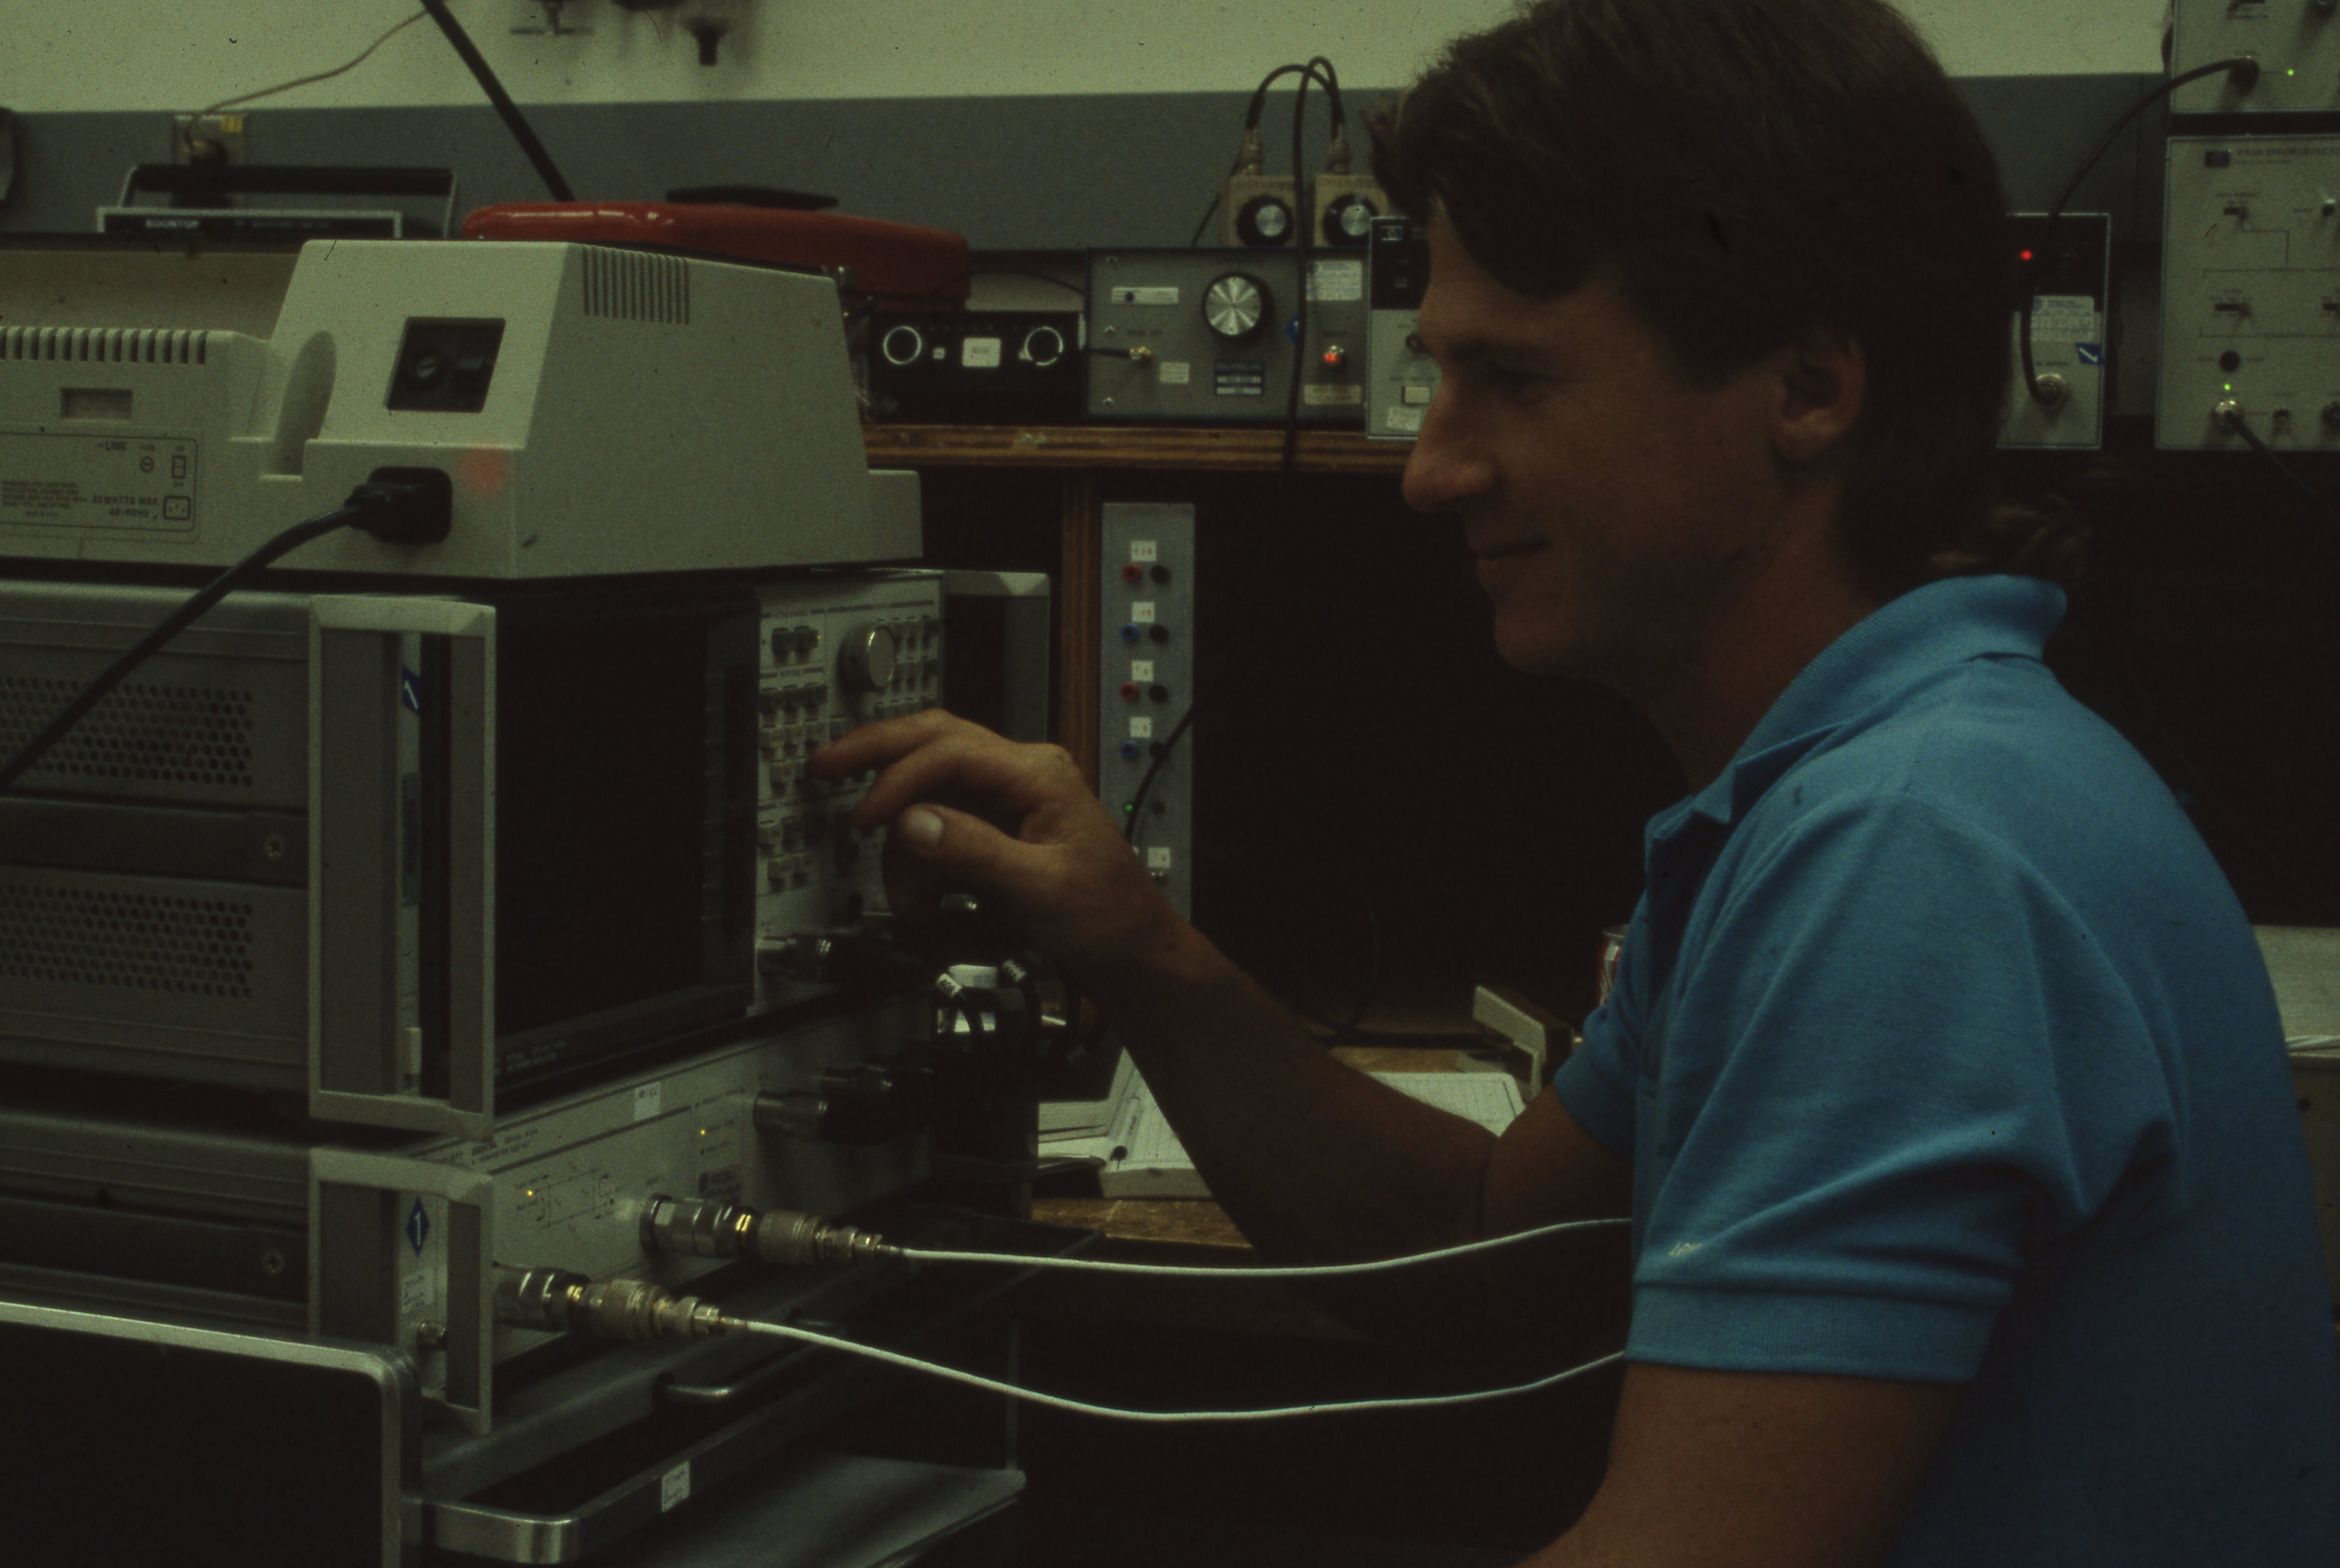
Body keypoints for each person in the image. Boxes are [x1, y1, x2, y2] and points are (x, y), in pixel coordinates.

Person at [813, 0, 2340, 1560]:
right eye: (1439, 376)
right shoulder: (1866, 784)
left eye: (1515, 379)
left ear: (1809, 388)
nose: (1431, 469)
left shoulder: (1912, 852)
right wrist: (1136, 948)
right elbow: (1483, 1251)